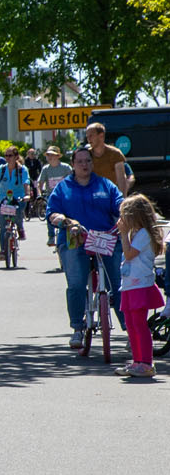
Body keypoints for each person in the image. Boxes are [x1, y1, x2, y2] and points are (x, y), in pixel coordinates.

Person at [46, 145, 124, 349]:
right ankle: (77, 329)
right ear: (72, 164)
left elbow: (121, 204)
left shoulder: (105, 185)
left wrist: (125, 215)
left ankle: (130, 332)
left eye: (88, 161)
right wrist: (65, 221)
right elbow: (52, 213)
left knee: (119, 284)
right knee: (76, 284)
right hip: (75, 239)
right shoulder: (63, 188)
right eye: (79, 161)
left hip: (105, 238)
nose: (84, 165)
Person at [114, 193, 164, 377]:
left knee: (139, 325)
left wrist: (123, 235)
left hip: (140, 285)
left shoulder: (143, 234)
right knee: (131, 324)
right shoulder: (137, 233)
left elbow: (128, 254)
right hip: (130, 285)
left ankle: (146, 363)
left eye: (124, 215)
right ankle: (137, 361)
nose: (121, 220)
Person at [0, 146, 34, 259]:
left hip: (18, 198)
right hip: (3, 199)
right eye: (6, 156)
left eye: (10, 156)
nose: (7, 158)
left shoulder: (22, 170)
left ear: (16, 157)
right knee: (3, 227)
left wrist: (27, 194)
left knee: (18, 213)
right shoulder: (1, 169)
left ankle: (20, 227)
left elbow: (26, 183)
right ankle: (3, 251)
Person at [84, 121, 128, 193]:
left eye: (91, 136)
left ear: (101, 136)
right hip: (91, 196)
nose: (88, 139)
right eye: (87, 136)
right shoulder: (86, 155)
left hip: (110, 195)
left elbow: (121, 179)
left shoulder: (115, 154)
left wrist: (122, 199)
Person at [39, 146, 71, 245]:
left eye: (52, 155)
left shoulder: (66, 168)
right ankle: (51, 236)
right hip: (52, 196)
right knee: (50, 213)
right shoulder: (46, 169)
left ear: (57, 156)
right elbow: (40, 183)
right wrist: (40, 194)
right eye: (48, 155)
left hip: (65, 195)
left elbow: (73, 180)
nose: (50, 157)